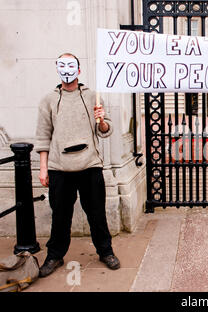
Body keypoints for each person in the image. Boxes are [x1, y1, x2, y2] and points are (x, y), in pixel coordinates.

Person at [35, 53, 120, 277]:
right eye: (62, 65)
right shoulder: (48, 100)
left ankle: (105, 251)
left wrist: (101, 120)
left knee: (97, 214)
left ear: (79, 71)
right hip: (60, 168)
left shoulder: (92, 96)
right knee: (60, 216)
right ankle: (54, 255)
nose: (66, 69)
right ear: (57, 69)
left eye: (71, 65)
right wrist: (43, 168)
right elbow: (43, 136)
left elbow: (106, 131)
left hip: (89, 165)